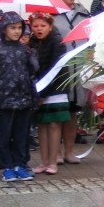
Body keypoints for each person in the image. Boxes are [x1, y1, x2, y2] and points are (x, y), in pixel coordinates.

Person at [0, 12, 39, 182]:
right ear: (4, 29)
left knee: (21, 135)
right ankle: (6, 166)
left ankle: (20, 164)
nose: (17, 31)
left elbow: (32, 74)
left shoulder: (24, 50)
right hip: (5, 100)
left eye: (19, 28)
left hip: (23, 99)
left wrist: (33, 97)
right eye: (12, 28)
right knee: (4, 136)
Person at [51, 0, 91, 164]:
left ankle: (69, 151)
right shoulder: (50, 16)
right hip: (59, 72)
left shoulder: (83, 14)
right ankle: (56, 152)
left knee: (73, 112)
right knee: (58, 113)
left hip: (78, 71)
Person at [29, 14, 70, 175]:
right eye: (35, 26)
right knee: (42, 125)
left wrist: (43, 92)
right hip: (39, 89)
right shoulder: (32, 43)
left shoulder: (57, 43)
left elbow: (54, 69)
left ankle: (53, 162)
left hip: (56, 88)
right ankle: (44, 162)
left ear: (50, 27)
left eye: (43, 26)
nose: (39, 29)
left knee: (53, 124)